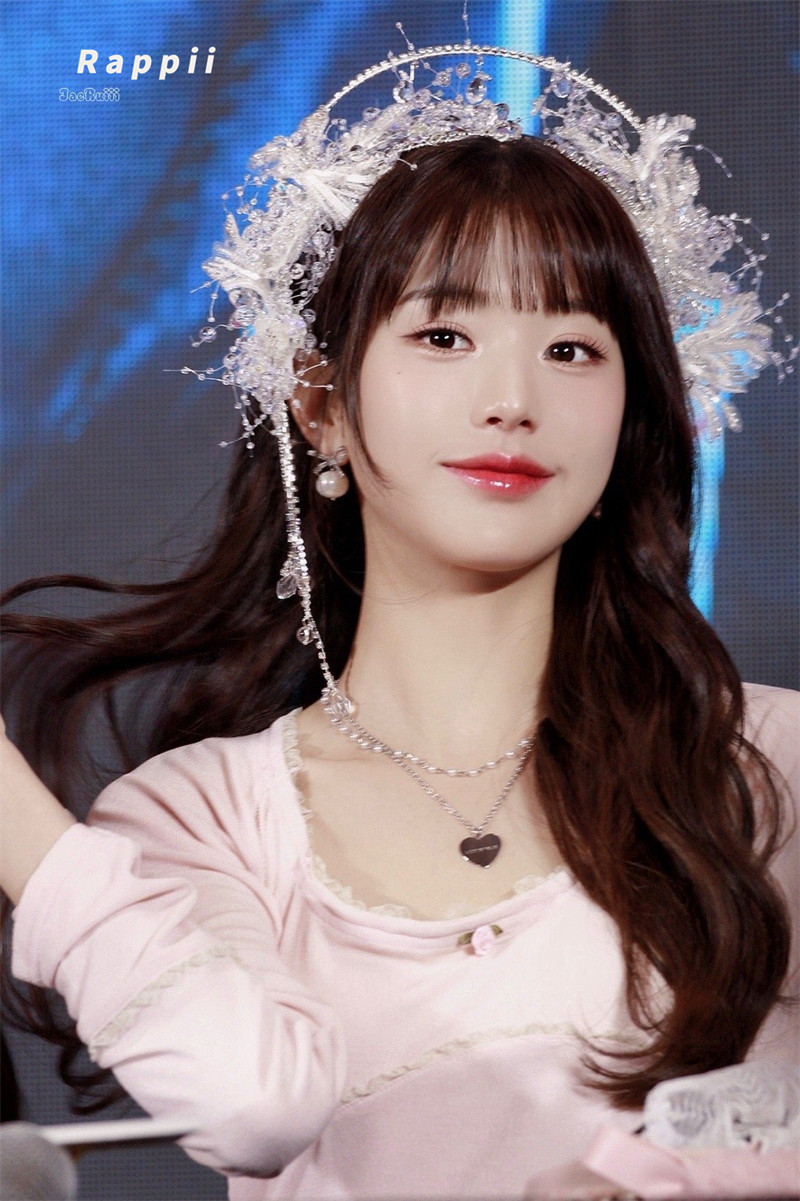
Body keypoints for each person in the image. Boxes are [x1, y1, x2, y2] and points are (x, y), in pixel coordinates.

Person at [1, 48, 797, 1200]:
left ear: (629, 418)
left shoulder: (762, 769)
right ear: (321, 404)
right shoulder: (205, 815)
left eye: (570, 349)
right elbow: (249, 1104)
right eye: (443, 336)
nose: (510, 399)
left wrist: (672, 1177)